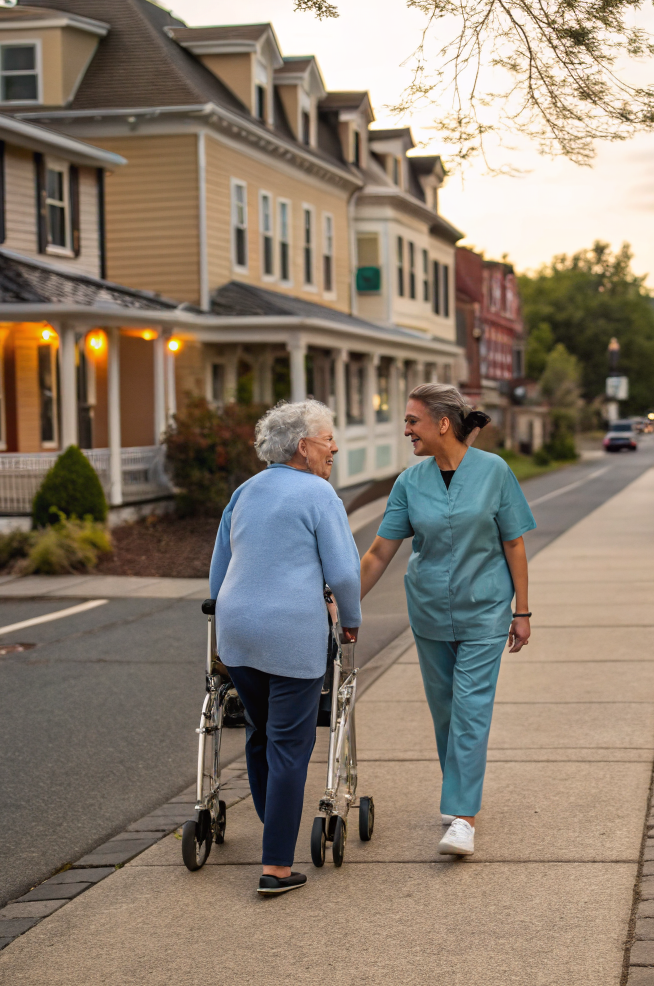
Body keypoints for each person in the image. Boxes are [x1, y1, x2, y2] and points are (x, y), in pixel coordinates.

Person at [359, 383, 535, 857]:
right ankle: (459, 793)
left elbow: (514, 542)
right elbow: (379, 553)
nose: (405, 430)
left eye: (412, 421)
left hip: (486, 610)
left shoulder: (494, 471)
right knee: (446, 713)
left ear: (442, 424)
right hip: (430, 611)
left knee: (471, 711)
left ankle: (463, 817)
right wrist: (343, 603)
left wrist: (522, 609)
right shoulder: (409, 483)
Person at [209, 399, 361, 895]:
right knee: (291, 747)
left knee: (259, 733)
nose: (334, 446)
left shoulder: (245, 492)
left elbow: (220, 564)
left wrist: (219, 611)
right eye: (327, 439)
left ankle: (273, 816)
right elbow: (341, 571)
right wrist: (352, 620)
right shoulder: (320, 494)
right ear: (303, 447)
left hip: (237, 632)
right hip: (291, 632)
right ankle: (276, 866)